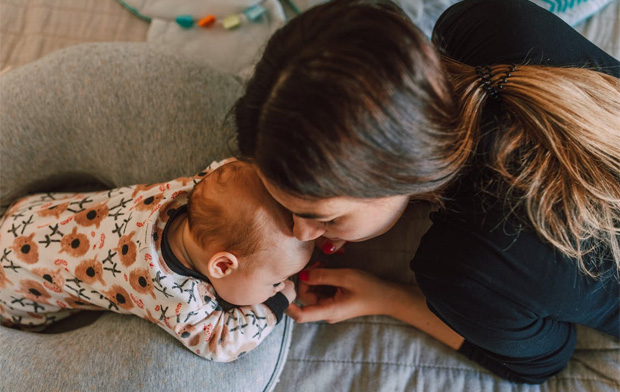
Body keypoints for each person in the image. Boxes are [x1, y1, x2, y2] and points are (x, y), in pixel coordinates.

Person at [233, 0, 620, 384]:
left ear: (402, 175)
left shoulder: (460, 269)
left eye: (326, 217)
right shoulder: (491, 22)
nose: (300, 233)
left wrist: (389, 298)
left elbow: (543, 361)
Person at [0, 159, 313, 362]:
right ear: (222, 266)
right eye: (274, 281)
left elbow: (231, 170)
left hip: (27, 216)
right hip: (14, 292)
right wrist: (277, 304)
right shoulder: (178, 296)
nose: (278, 285)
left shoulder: (186, 191)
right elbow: (219, 342)